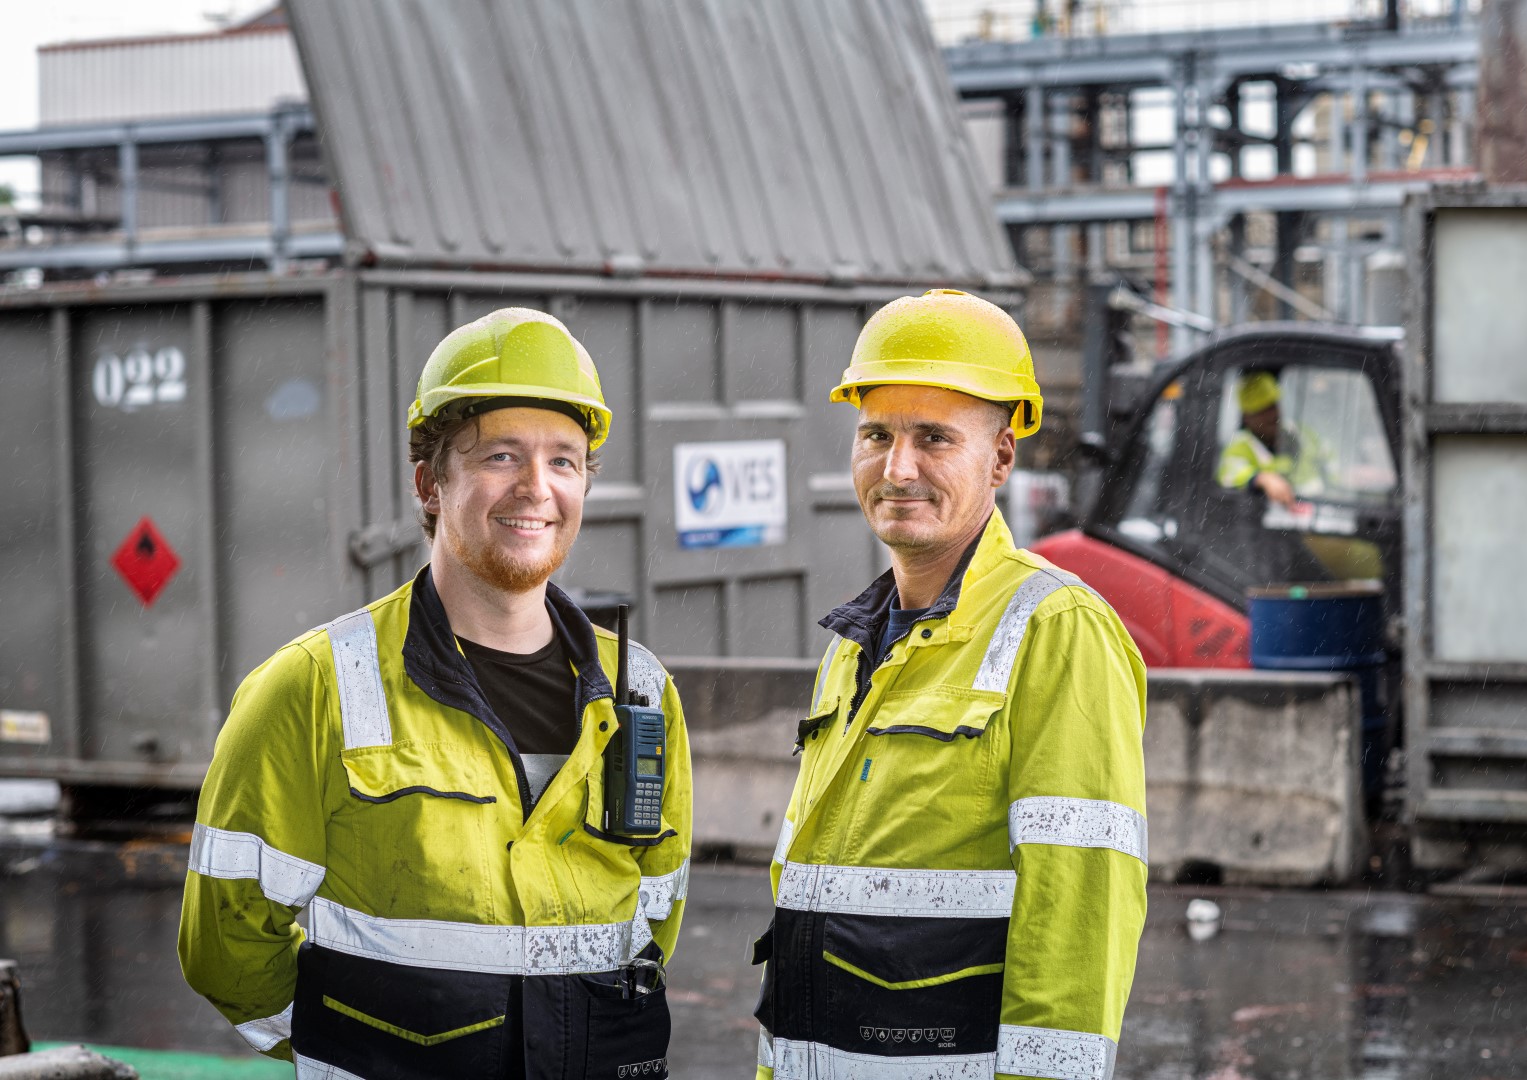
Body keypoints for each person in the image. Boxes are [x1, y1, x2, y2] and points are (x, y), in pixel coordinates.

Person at [179, 308, 691, 1080]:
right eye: (501, 456)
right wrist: (352, 1045)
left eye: (564, 460)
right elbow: (225, 941)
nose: (536, 488)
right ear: (430, 481)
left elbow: (651, 921)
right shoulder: (313, 688)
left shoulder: (643, 692)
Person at [752, 290, 1148, 1080]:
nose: (898, 468)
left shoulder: (1056, 629)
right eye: (877, 436)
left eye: (934, 438)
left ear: (1001, 456)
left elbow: (1079, 912)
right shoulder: (852, 648)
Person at [1216, 371, 1330, 508]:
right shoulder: (1239, 446)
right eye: (1261, 411)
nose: (1271, 415)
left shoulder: (1299, 433)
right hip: (1272, 521)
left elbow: (1330, 459)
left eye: (1272, 406)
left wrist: (1350, 475)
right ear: (1247, 417)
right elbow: (1229, 472)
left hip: (1323, 511)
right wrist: (1261, 478)